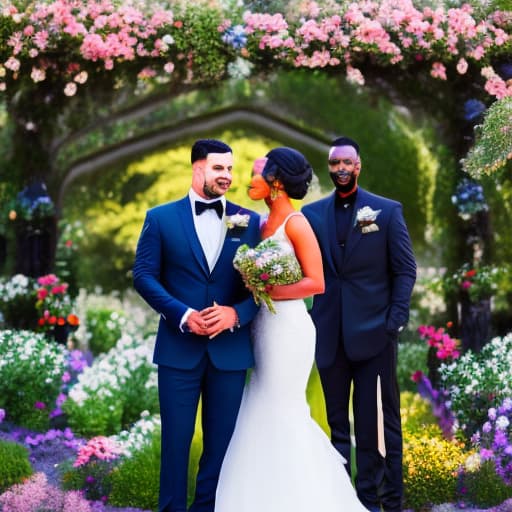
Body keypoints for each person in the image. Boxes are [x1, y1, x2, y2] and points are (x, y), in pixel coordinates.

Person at [215, 146, 369, 512]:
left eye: (255, 172)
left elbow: (316, 282)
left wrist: (265, 287)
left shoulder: (295, 224)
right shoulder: (257, 224)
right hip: (262, 327)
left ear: (276, 181)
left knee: (282, 406)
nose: (248, 179)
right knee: (258, 405)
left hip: (288, 329)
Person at [132, 138, 261, 512]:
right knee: (175, 442)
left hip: (230, 353)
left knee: (221, 445)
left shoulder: (249, 222)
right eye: (219, 168)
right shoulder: (160, 219)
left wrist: (236, 314)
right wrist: (183, 315)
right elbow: (144, 276)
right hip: (178, 349)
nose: (227, 176)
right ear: (197, 168)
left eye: (230, 169)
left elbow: (262, 287)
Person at [302, 136, 417, 512]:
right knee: (337, 426)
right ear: (329, 167)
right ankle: (341, 500)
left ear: (358, 165)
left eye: (346, 162)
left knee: (376, 426)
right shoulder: (312, 215)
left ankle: (379, 501)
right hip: (329, 335)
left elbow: (405, 270)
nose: (340, 169)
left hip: (375, 337)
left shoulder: (386, 211)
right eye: (334, 163)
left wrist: (394, 321)